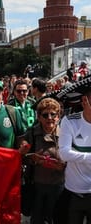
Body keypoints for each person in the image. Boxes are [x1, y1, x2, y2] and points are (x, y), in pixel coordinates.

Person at [19, 97, 65, 224]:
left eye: (53, 114)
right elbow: (21, 157)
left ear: (58, 116)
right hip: (37, 187)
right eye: (45, 115)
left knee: (56, 219)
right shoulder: (32, 133)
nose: (49, 118)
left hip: (58, 187)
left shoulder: (66, 133)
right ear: (39, 117)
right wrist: (33, 159)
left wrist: (62, 165)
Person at [58, 77, 91, 224]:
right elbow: (63, 153)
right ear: (85, 101)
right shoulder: (70, 121)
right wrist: (89, 157)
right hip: (74, 192)